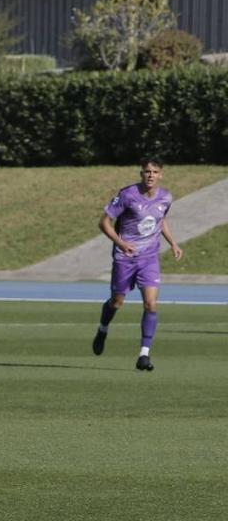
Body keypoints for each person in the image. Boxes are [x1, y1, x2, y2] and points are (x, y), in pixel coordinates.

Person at [91, 157, 183, 370]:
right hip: (125, 258)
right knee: (116, 302)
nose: (151, 175)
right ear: (141, 174)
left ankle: (144, 355)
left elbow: (161, 220)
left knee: (151, 303)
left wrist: (173, 243)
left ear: (161, 174)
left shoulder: (166, 197)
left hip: (149, 257)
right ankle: (103, 328)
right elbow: (104, 223)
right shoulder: (127, 195)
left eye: (155, 172)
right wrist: (121, 243)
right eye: (147, 171)